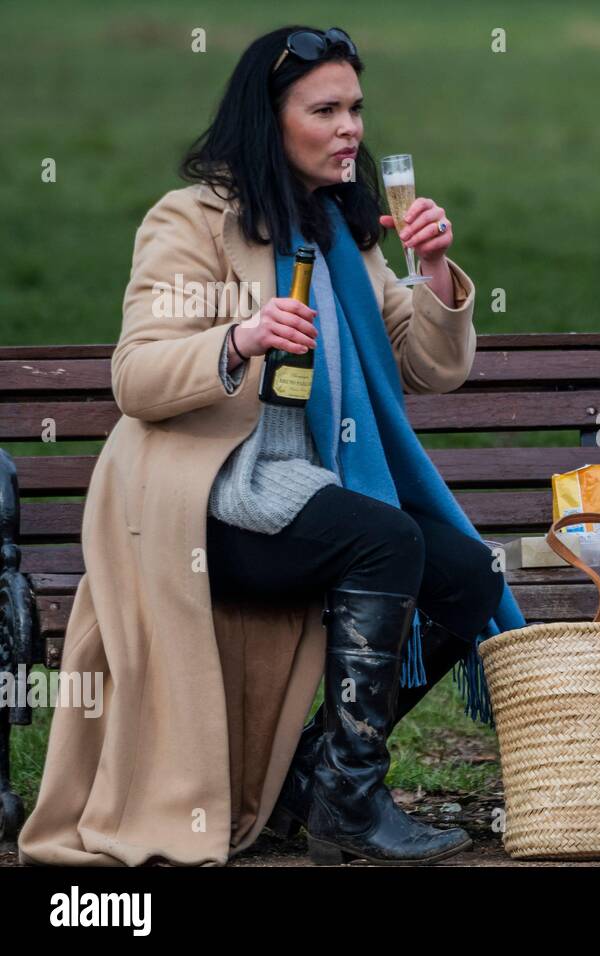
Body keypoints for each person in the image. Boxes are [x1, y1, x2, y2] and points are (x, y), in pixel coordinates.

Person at [18, 25, 525, 867]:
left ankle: (314, 777)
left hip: (302, 484)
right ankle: (354, 800)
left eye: (356, 108)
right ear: (270, 120)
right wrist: (239, 339)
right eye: (324, 109)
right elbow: (135, 377)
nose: (350, 129)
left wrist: (433, 275)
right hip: (204, 495)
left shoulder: (346, 232)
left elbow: (428, 368)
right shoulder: (191, 221)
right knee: (385, 538)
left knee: (467, 574)